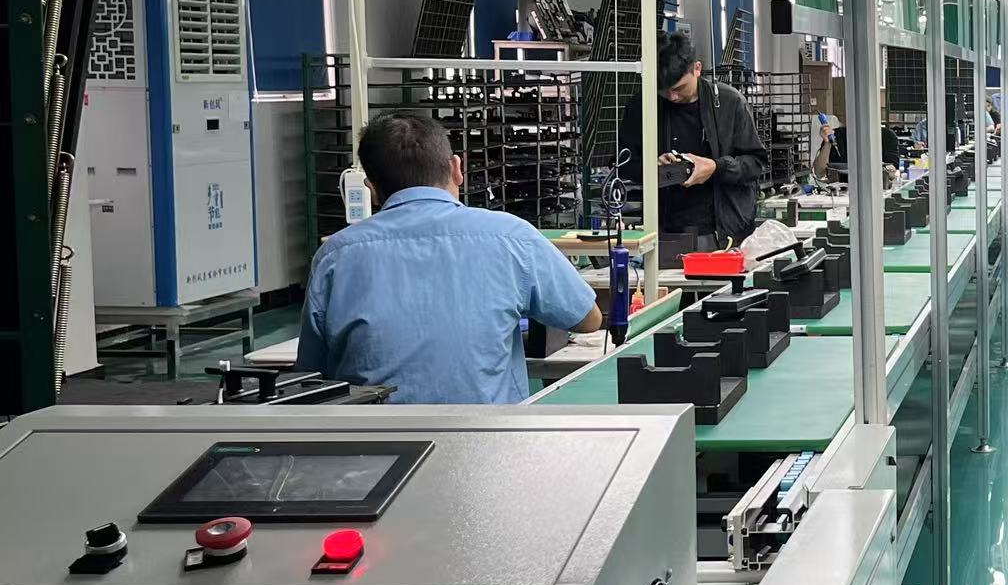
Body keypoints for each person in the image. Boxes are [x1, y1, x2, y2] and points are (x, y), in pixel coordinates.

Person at [298, 112, 600, 404]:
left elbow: (312, 372)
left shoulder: (335, 256)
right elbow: (588, 319)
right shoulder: (511, 237)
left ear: (372, 189)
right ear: (457, 168)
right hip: (489, 440)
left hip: (377, 447)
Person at [628, 32, 766, 253]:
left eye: (679, 88)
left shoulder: (730, 103)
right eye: (664, 90)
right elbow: (623, 163)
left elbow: (755, 164)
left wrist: (716, 167)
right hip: (664, 233)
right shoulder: (641, 106)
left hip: (722, 235)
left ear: (697, 69)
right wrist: (653, 166)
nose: (672, 97)